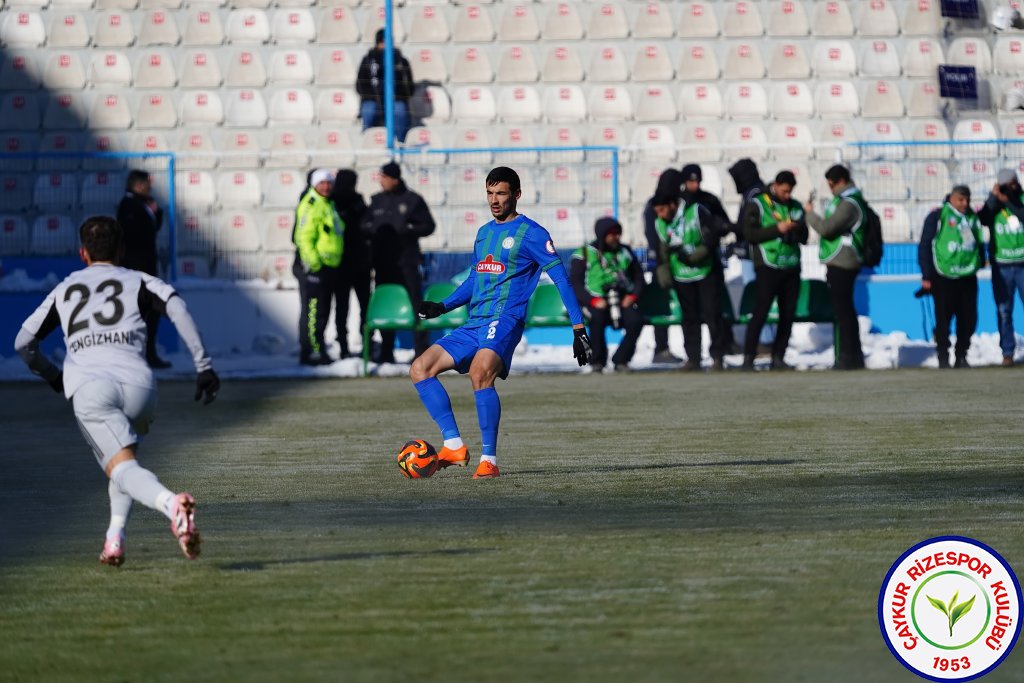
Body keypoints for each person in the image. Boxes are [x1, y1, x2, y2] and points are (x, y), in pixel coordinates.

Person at [14, 215, 220, 566]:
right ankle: (114, 539)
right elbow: (177, 307)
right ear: (122, 250)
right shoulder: (141, 280)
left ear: (82, 253)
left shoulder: (66, 288)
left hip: (92, 388)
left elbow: (24, 342)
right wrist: (203, 365)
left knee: (122, 467)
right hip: (140, 387)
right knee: (122, 461)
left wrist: (52, 376)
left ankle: (173, 506)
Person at [411, 167, 593, 479]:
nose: (494, 200)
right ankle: (453, 445)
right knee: (420, 368)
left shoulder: (533, 233)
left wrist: (578, 328)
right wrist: (443, 306)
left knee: (481, 372)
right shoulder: (483, 233)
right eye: (490, 193)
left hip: (505, 320)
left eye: (501, 194)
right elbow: (475, 279)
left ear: (516, 195)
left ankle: (489, 460)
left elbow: (561, 280)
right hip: (475, 321)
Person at [363, 161, 436, 363]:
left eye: (384, 178)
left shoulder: (412, 200)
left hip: (407, 262)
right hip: (384, 263)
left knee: (415, 304)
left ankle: (421, 351)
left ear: (394, 179)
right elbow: (364, 226)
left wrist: (407, 230)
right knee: (386, 303)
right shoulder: (377, 201)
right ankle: (386, 351)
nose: (381, 181)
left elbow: (429, 226)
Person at [652, 187, 731, 371]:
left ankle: (718, 357)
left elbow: (712, 236)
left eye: (663, 210)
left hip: (705, 271)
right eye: (657, 212)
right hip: (681, 275)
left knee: (713, 314)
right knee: (689, 318)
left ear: (672, 204)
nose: (661, 215)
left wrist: (700, 254)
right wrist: (663, 269)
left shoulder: (696, 211)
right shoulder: (660, 223)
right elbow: (662, 248)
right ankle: (693, 358)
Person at [741, 170, 808, 371]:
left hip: (791, 265)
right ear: (776, 185)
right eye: (784, 191)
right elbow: (749, 234)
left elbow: (804, 237)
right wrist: (776, 230)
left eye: (790, 192)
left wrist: (795, 230)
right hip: (767, 266)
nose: (787, 196)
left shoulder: (795, 207)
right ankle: (748, 357)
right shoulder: (758, 204)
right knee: (761, 312)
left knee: (788, 314)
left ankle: (779, 356)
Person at [803, 164, 868, 370]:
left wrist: (810, 214)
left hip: (843, 263)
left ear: (840, 181)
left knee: (844, 311)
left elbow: (827, 228)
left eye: (831, 184)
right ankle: (851, 355)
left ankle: (849, 357)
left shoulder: (849, 204)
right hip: (839, 262)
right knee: (844, 310)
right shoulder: (845, 201)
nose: (830, 188)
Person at [918, 185, 985, 368]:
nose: (965, 204)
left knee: (968, 319)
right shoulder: (938, 217)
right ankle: (943, 355)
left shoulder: (971, 218)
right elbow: (925, 246)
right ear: (951, 199)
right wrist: (926, 274)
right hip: (943, 276)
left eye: (967, 200)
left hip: (967, 276)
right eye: (960, 200)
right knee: (943, 319)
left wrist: (980, 260)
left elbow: (977, 242)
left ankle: (961, 355)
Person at [570, 217, 644, 372]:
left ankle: (621, 360)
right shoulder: (584, 253)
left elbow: (639, 277)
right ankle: (597, 361)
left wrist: (632, 296)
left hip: (621, 299)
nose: (616, 237)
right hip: (595, 300)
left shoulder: (625, 251)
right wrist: (592, 300)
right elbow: (575, 283)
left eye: (618, 233)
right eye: (612, 234)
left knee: (635, 321)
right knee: (596, 320)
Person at [116, 169, 167, 369]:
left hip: (146, 267)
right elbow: (131, 235)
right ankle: (134, 355)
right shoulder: (128, 205)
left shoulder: (143, 204)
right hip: (135, 269)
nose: (150, 188)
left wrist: (156, 213)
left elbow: (151, 230)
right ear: (138, 185)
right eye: (147, 184)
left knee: (151, 311)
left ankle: (149, 353)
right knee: (136, 312)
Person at [294, 169, 344, 366]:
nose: (326, 187)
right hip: (316, 268)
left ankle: (317, 349)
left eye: (328, 183)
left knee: (321, 311)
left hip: (328, 267)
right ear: (314, 184)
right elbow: (303, 237)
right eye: (322, 183)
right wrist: (314, 265)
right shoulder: (311, 204)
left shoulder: (328, 204)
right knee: (314, 312)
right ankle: (313, 352)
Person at [977, 168, 1024, 366]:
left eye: (1011, 184)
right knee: (1004, 311)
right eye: (1004, 185)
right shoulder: (994, 204)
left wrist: (1007, 200)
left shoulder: (1020, 199)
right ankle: (1007, 353)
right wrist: (993, 197)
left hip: (1023, 264)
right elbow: (982, 218)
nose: (1009, 188)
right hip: (1001, 266)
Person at [643, 169, 685, 364]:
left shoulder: (657, 203)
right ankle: (661, 348)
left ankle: (665, 348)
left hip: (662, 263)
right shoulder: (660, 204)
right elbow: (655, 238)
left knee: (671, 305)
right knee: (665, 305)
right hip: (663, 263)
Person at [330, 169, 370, 359]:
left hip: (358, 263)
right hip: (342, 265)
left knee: (363, 307)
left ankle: (365, 345)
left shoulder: (358, 201)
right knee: (343, 307)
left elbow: (367, 226)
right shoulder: (333, 202)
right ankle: (344, 346)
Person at [356, 28, 415, 143]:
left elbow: (409, 88)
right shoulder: (368, 60)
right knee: (368, 109)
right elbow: (360, 85)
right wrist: (375, 96)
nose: (385, 46)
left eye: (388, 42)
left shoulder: (401, 61)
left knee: (400, 109)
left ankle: (401, 143)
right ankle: (368, 142)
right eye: (382, 42)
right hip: (373, 100)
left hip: (395, 101)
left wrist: (396, 95)